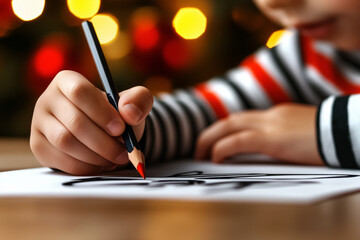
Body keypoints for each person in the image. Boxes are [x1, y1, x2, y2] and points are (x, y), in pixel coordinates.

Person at [30, 0, 360, 175]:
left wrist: (322, 132)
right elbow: (209, 111)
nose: (273, 2)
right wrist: (113, 128)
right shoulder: (307, 54)